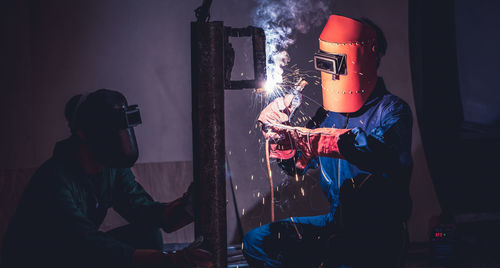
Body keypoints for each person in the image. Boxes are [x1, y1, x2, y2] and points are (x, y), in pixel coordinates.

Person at [243, 15, 413, 267]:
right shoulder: (328, 114)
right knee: (257, 241)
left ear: (367, 57)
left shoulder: (392, 112)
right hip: (337, 224)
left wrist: (312, 139)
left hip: (378, 233)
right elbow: (296, 167)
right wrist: (281, 138)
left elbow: (382, 156)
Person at [1, 89, 213, 268]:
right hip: (40, 259)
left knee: (148, 235)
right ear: (84, 134)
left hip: (74, 252)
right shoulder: (55, 181)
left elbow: (144, 211)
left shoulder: (110, 167)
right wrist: (171, 261)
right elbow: (87, 244)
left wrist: (188, 208)